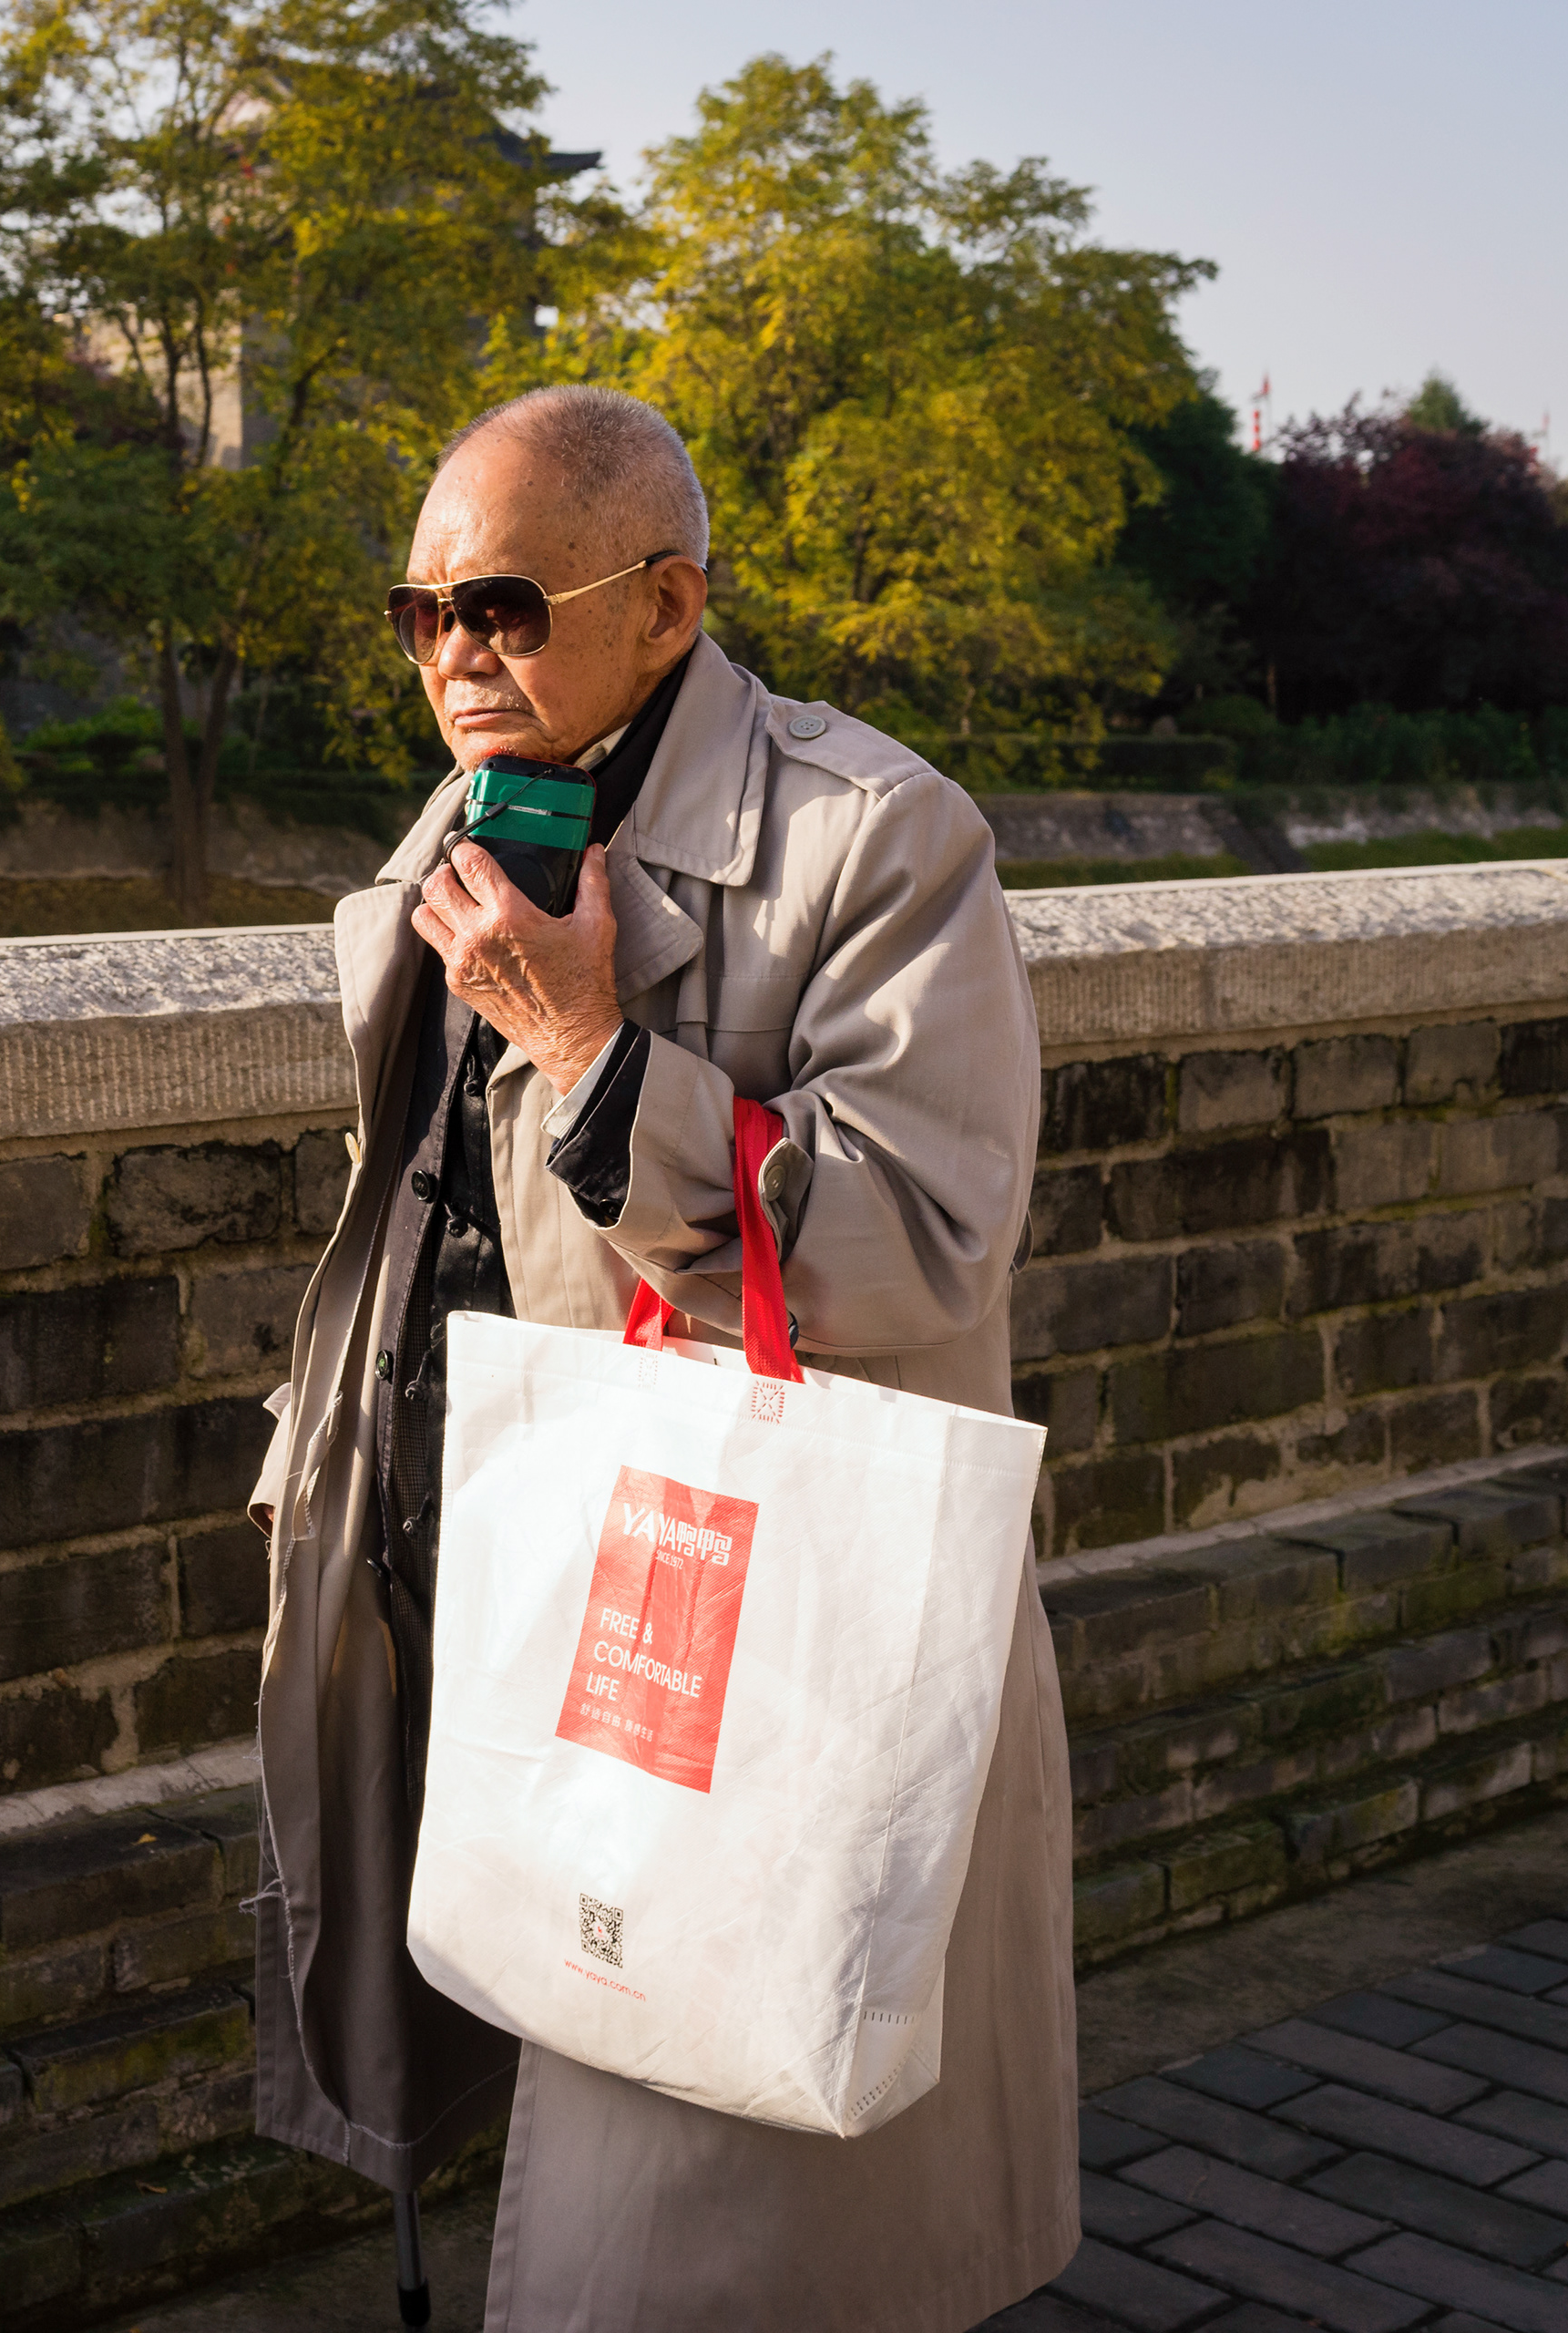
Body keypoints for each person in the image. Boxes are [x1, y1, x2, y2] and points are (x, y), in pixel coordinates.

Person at [244, 385, 1072, 2330]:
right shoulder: (461, 826)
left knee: (697, 2201)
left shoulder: (878, 836)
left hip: (735, 1610)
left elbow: (928, 1240)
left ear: (669, 605)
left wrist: (601, 1057)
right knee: (518, 2046)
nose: (456, 650)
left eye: (508, 605)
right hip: (485, 1573)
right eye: (423, 608)